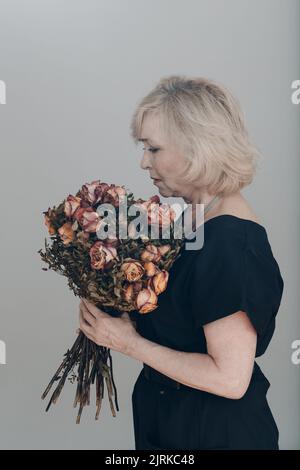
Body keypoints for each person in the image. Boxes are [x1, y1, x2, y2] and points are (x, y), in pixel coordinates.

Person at [78, 75, 284, 450]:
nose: (143, 162)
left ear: (196, 149)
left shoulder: (230, 243)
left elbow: (230, 380)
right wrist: (111, 297)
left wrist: (127, 342)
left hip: (214, 434)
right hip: (169, 421)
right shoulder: (191, 222)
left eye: (153, 149)